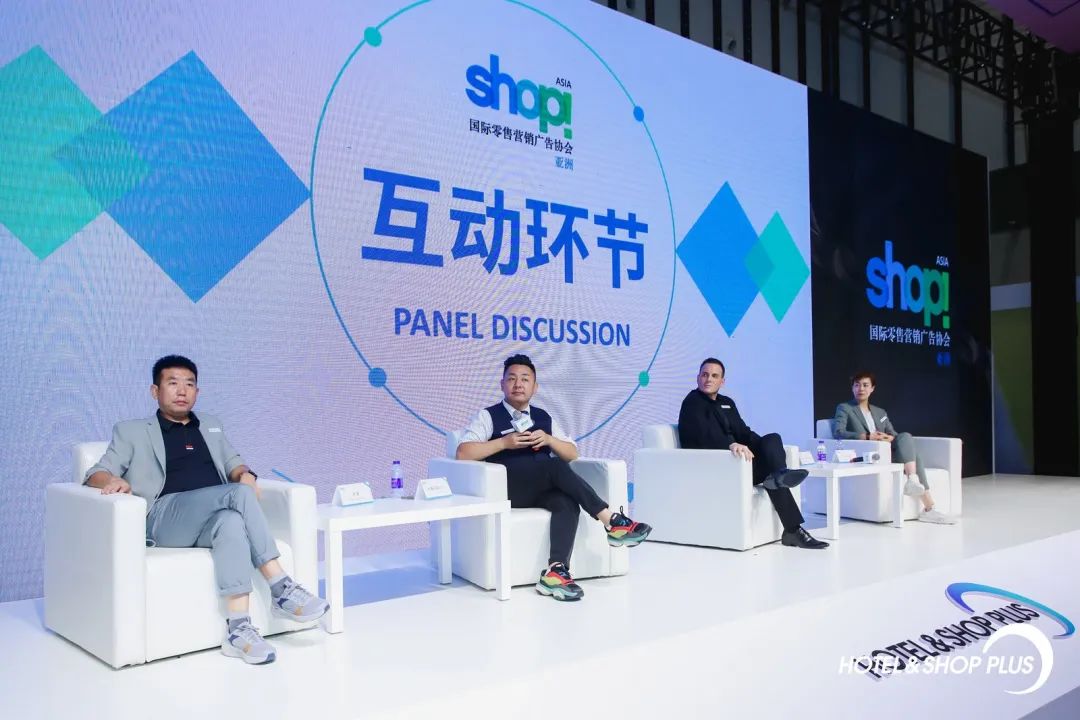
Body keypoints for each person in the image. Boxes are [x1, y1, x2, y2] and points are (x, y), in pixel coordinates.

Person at [84, 355, 329, 665]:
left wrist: (245, 474)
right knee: (238, 495)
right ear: (155, 391)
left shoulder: (211, 426)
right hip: (163, 517)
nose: (182, 391)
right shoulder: (131, 431)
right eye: (173, 383)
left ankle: (238, 631)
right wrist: (112, 480)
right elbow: (95, 473)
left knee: (230, 522)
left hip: (209, 518)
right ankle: (281, 587)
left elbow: (235, 464)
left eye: (189, 384)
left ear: (197, 392)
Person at [456, 354, 652, 601]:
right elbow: (463, 453)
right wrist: (504, 443)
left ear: (535, 387)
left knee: (566, 502)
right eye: (512, 379)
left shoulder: (543, 417)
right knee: (555, 466)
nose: (518, 384)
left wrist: (549, 439)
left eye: (525, 379)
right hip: (508, 489)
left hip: (540, 488)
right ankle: (611, 521)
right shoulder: (488, 416)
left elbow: (572, 453)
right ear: (502, 384)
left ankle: (556, 572)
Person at [678, 358, 828, 549]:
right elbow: (703, 435)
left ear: (722, 381)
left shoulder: (727, 403)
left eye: (714, 376)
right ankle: (792, 526)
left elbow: (744, 432)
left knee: (772, 439)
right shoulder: (692, 403)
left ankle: (779, 476)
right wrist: (730, 444)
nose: (708, 379)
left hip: (740, 462)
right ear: (698, 377)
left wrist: (762, 447)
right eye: (705, 375)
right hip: (720, 465)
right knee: (773, 473)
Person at [833, 372, 956, 524]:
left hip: (888, 452)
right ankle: (928, 506)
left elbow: (894, 435)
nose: (861, 389)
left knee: (905, 437)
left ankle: (915, 485)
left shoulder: (880, 412)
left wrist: (888, 438)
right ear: (852, 388)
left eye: (865, 385)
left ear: (872, 388)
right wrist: (868, 436)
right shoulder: (845, 408)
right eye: (857, 385)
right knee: (914, 456)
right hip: (870, 454)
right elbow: (838, 432)